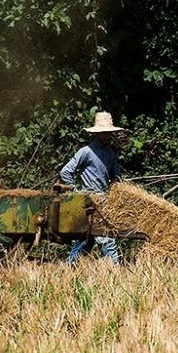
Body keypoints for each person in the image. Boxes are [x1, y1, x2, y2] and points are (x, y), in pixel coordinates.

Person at [60, 111, 123, 264]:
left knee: (86, 239)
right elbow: (65, 172)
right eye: (104, 133)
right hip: (89, 202)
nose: (108, 136)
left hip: (103, 201)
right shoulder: (86, 152)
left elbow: (117, 179)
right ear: (98, 134)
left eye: (109, 133)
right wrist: (77, 193)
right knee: (106, 238)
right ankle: (116, 270)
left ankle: (70, 267)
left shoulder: (110, 154)